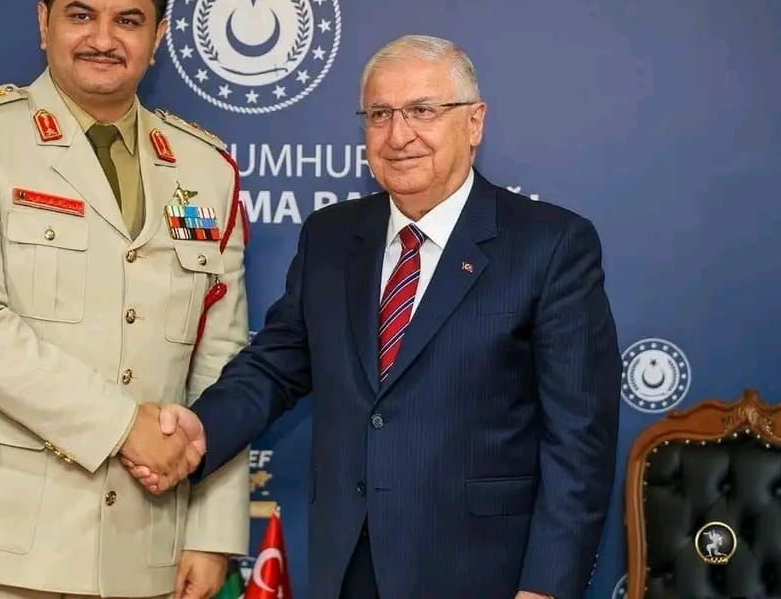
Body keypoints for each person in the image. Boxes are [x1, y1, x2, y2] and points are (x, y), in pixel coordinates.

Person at [127, 35, 621, 599]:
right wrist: (203, 429)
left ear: (474, 122)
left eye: (423, 111)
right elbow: (276, 365)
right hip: (348, 565)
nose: (398, 135)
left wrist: (548, 587)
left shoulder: (550, 244)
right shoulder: (331, 236)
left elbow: (579, 440)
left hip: (484, 572)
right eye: (380, 114)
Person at [0, 0, 251, 599]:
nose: (102, 39)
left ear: (158, 36)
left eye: (129, 21)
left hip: (142, 547)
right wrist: (123, 427)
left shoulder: (207, 169)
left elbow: (221, 361)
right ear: (44, 23)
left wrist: (210, 529)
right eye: (81, 15)